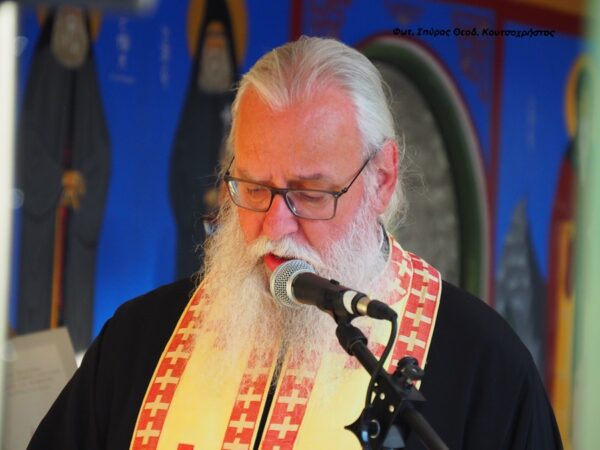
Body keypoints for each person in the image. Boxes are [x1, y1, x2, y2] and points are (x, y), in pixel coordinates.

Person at [28, 36, 562, 450]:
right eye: (255, 188)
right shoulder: (140, 341)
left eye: (309, 193)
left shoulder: (484, 368)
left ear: (382, 179)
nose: (276, 225)